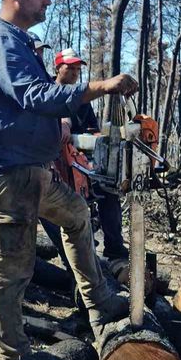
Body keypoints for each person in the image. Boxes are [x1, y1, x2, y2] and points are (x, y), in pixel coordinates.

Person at [0, 0, 138, 360]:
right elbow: (36, 95)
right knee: (12, 270)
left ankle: (101, 305)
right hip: (9, 174)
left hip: (33, 172)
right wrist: (101, 86)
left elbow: (36, 102)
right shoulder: (0, 41)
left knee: (76, 214)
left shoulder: (20, 43)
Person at [0, 35, 67, 302]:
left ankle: (78, 276)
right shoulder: (5, 73)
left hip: (35, 166)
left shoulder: (40, 79)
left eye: (42, 52)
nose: (39, 56)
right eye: (35, 51)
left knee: (58, 219)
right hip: (2, 165)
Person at [54, 47, 128, 260]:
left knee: (107, 188)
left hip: (82, 158)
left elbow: (91, 128)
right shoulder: (47, 91)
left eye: (78, 69)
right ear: (58, 67)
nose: (75, 73)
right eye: (70, 68)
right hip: (54, 160)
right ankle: (78, 251)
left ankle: (114, 248)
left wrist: (100, 137)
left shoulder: (82, 99)